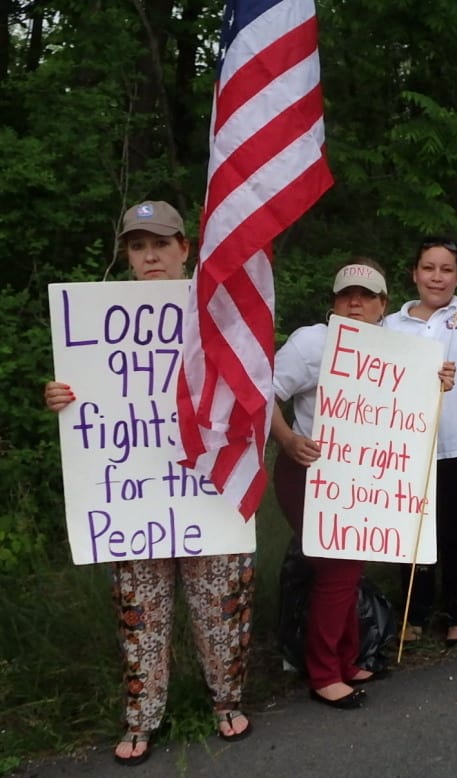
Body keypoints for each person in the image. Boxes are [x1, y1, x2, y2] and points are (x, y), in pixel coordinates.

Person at [44, 201, 254, 766]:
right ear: (128, 256)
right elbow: (90, 392)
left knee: (220, 607)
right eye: (138, 246)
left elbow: (254, 377)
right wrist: (61, 397)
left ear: (185, 248)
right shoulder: (94, 318)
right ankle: (142, 718)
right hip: (132, 498)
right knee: (142, 613)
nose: (151, 255)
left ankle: (226, 701)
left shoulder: (220, 310)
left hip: (204, 490)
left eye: (161, 243)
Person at [270, 259, 454, 707]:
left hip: (366, 476)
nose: (356, 302)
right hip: (310, 470)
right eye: (346, 294)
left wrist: (438, 384)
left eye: (367, 296)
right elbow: (263, 393)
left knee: (350, 570)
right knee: (338, 568)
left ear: (383, 304)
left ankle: (347, 658)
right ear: (333, 302)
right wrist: (289, 439)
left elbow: (410, 415)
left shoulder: (397, 349)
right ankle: (324, 674)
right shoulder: (311, 342)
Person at [384, 207, 457, 645]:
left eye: (447, 269)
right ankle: (412, 614)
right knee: (412, 535)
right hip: (407, 450)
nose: (437, 277)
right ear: (414, 273)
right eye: (429, 268)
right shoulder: (390, 324)